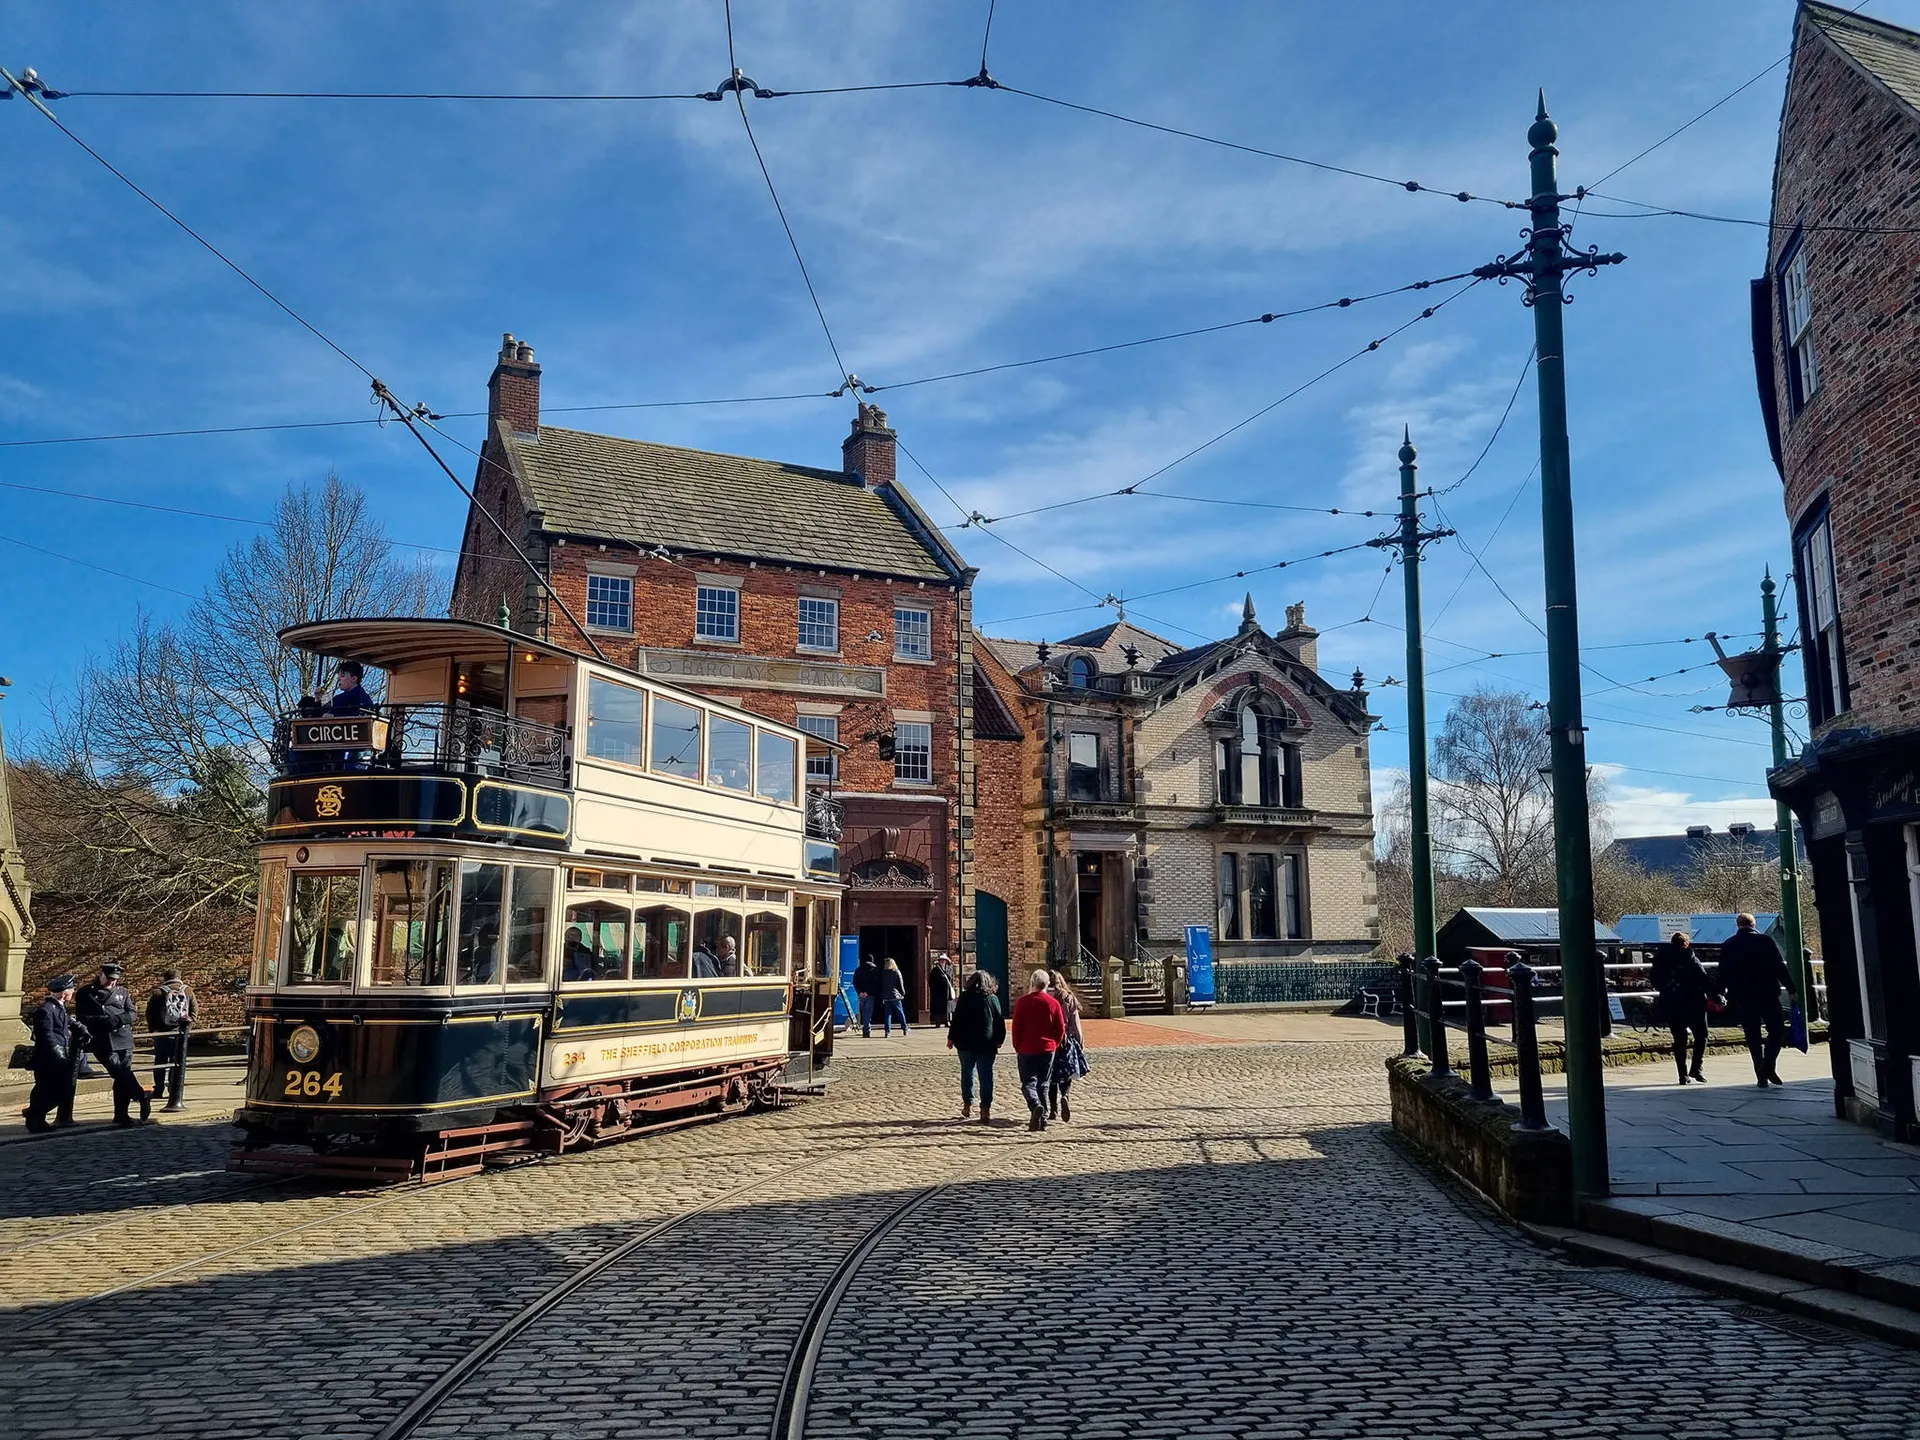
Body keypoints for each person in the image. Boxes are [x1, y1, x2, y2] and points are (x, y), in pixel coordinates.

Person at [1718, 912, 1794, 1087]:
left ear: (1738, 925)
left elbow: (1723, 972)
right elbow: (1778, 966)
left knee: (1752, 1034)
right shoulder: (1765, 941)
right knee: (1777, 1030)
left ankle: (1760, 1072)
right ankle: (1768, 1064)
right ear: (1754, 924)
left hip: (1742, 995)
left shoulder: (1729, 944)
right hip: (1767, 992)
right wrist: (1791, 988)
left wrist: (1719, 994)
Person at [74, 963, 149, 1125]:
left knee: (122, 1077)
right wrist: (105, 1022)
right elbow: (83, 1017)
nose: (111, 983)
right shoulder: (86, 993)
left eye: (114, 980)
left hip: (123, 1038)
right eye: (108, 979)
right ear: (101, 975)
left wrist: (118, 1019)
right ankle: (141, 1095)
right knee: (119, 1072)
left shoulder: (122, 992)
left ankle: (121, 1114)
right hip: (103, 1041)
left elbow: (132, 1013)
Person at [1650, 933, 1714, 1085]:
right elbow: (1704, 980)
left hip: (1671, 1002)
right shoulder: (1691, 958)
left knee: (1679, 1039)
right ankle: (1696, 1068)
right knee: (1702, 1035)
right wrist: (1718, 998)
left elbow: (1654, 980)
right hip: (1694, 1003)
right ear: (1686, 943)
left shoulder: (1660, 959)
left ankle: (1682, 1075)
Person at [22, 975, 78, 1133]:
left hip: (57, 1057)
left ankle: (36, 1115)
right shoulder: (46, 1010)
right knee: (47, 1089)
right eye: (71, 989)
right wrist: (59, 1054)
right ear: (64, 993)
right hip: (48, 1060)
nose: (73, 991)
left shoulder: (58, 1007)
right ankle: (35, 1117)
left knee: (60, 1090)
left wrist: (77, 1026)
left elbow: (65, 1022)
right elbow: (46, 1036)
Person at [947, 971, 1006, 1122]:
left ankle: (968, 1104)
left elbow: (957, 1019)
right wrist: (1000, 1039)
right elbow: (999, 1022)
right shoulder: (992, 999)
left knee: (967, 1074)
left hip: (965, 1043)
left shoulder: (965, 998)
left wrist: (951, 1038)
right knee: (986, 1076)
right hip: (986, 1043)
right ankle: (985, 1109)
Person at [1011, 969, 1066, 1132]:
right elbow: (1060, 1028)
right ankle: (1043, 1117)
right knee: (1043, 1084)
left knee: (1028, 1083)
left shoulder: (1022, 1002)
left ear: (1032, 983)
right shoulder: (1053, 1003)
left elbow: (1016, 1028)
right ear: (1047, 984)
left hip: (1027, 1048)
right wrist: (1054, 1043)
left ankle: (1035, 1105)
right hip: (1047, 1049)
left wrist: (1017, 1046)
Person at [144, 969, 197, 1112]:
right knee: (177, 1062)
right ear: (179, 977)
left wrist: (152, 1029)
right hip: (180, 1032)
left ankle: (158, 1089)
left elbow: (150, 1013)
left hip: (162, 1032)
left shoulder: (158, 992)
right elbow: (194, 1011)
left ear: (165, 978)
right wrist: (188, 1028)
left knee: (160, 1062)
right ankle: (173, 1092)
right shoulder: (188, 991)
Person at [1046, 970, 1092, 1121]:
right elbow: (1075, 1021)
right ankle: (1065, 1095)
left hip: (1049, 1040)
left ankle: (1053, 1110)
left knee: (1051, 1075)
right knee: (1066, 1072)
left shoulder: (1045, 996)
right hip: (1067, 1040)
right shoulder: (1068, 997)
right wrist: (1080, 1040)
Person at [876, 958, 911, 1038]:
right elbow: (900, 983)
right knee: (900, 1012)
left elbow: (881, 985)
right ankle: (905, 1028)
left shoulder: (883, 973)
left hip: (886, 996)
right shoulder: (896, 972)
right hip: (895, 996)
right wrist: (903, 992)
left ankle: (887, 1032)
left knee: (888, 1014)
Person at [852, 955, 879, 1037]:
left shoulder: (858, 970)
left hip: (861, 995)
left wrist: (859, 992)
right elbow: (875, 983)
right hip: (870, 994)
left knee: (864, 1012)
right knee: (868, 1012)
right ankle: (866, 1030)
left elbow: (855, 982)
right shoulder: (874, 970)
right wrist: (868, 992)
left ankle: (866, 1027)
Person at [928, 954, 954, 1029]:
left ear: (946, 961)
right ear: (939, 961)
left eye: (944, 960)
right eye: (941, 960)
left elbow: (951, 980)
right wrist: (935, 990)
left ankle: (947, 1021)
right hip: (938, 993)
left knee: (948, 1007)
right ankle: (938, 1022)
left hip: (947, 992)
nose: (942, 961)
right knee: (938, 1007)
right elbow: (931, 981)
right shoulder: (935, 970)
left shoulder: (949, 969)